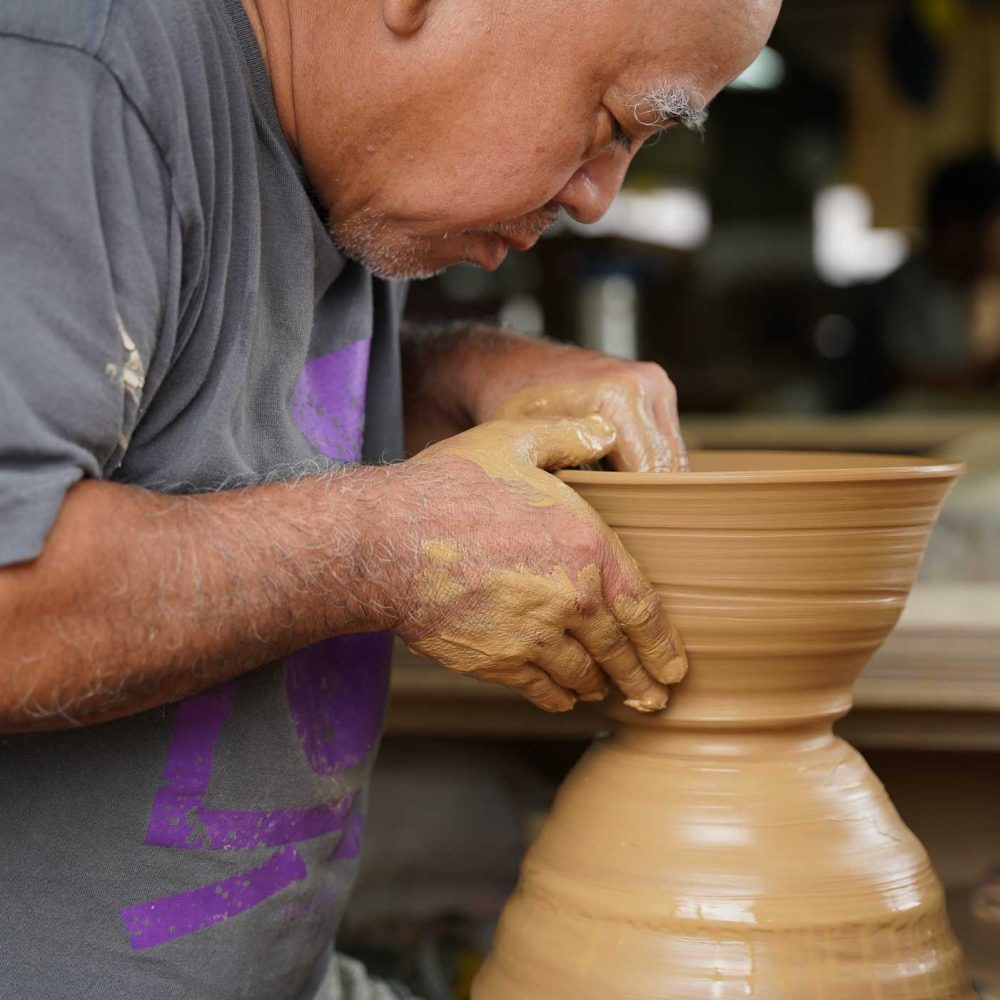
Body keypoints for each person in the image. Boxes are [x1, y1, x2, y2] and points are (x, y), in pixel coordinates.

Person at [0, 0, 780, 996]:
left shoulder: (355, 160)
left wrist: (442, 377)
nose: (597, 198)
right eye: (616, 123)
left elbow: (169, 393)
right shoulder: (68, 75)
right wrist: (391, 548)